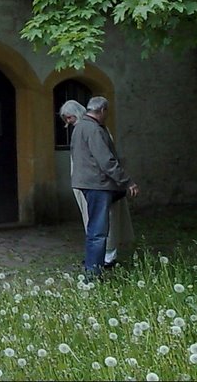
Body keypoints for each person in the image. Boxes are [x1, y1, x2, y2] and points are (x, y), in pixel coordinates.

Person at [69, 96, 139, 277]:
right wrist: (127, 181)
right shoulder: (95, 130)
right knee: (98, 231)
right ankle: (93, 272)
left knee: (95, 228)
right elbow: (106, 161)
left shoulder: (79, 127)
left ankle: (95, 266)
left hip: (86, 183)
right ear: (102, 111)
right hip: (98, 184)